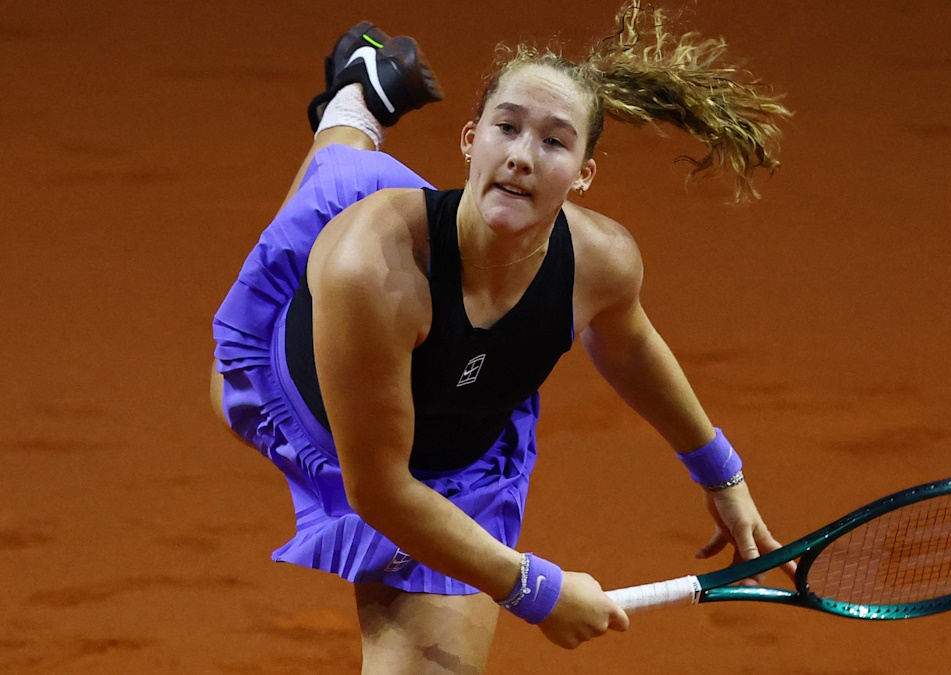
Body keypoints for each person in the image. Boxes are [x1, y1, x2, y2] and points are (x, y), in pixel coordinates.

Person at [210, 3, 794, 671]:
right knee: (333, 186)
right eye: (506, 127)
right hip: (309, 404)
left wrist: (721, 473)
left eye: (554, 142)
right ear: (470, 140)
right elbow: (378, 488)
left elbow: (628, 346)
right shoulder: (369, 265)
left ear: (583, 174)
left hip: (460, 461)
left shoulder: (600, 260)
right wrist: (534, 589)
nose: (520, 157)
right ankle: (356, 100)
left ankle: (359, 96)